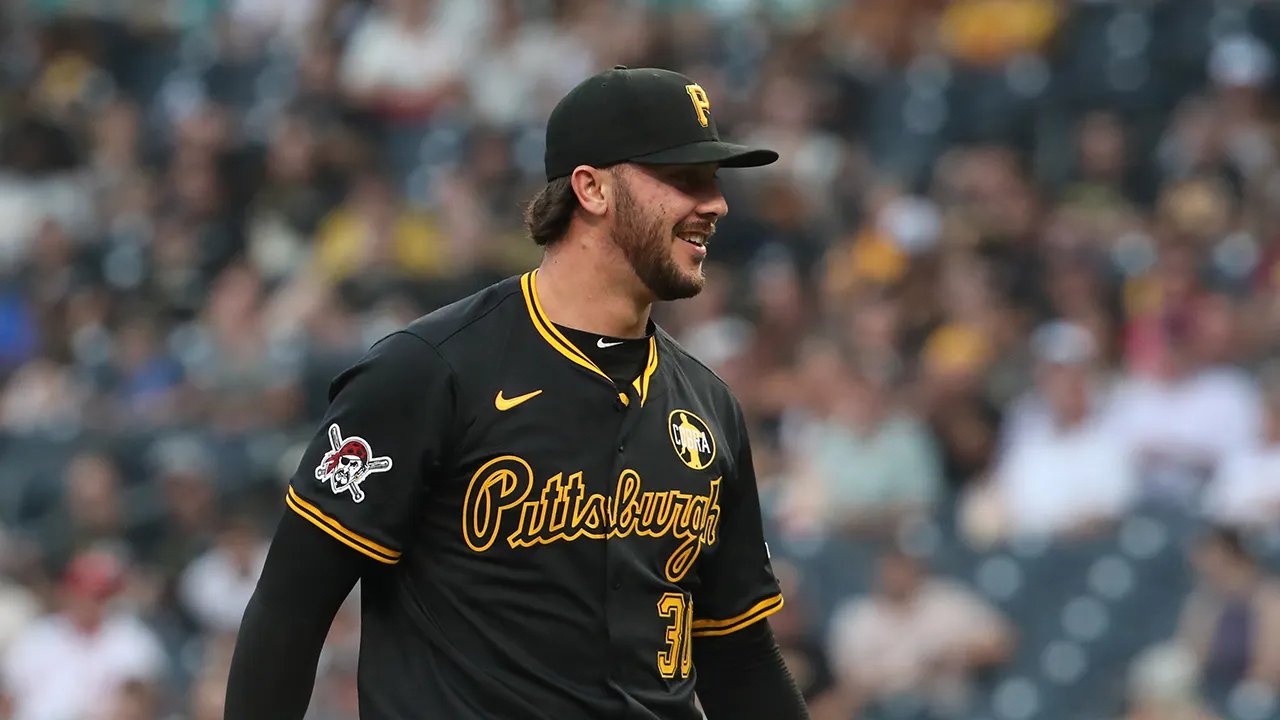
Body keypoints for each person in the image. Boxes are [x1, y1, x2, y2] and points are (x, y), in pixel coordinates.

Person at [225, 66, 809, 719]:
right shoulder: (431, 371)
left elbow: (740, 655)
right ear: (592, 188)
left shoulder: (709, 405)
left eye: (714, 181)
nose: (715, 203)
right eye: (684, 178)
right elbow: (289, 611)